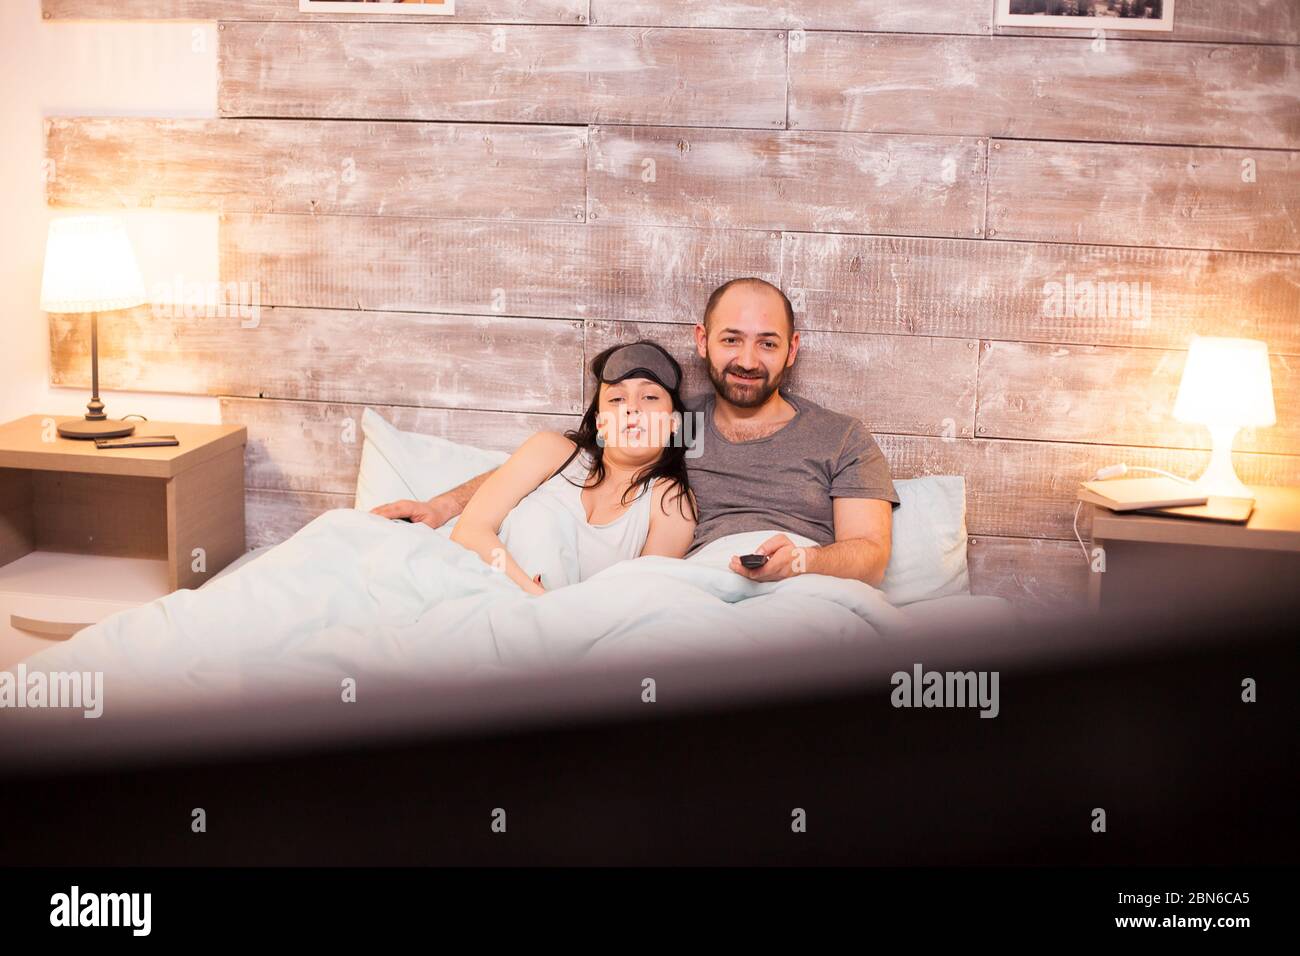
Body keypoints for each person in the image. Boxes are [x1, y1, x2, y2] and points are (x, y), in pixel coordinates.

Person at [376, 279, 899, 590]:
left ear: (792, 349)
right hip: (698, 594)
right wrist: (444, 506)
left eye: (767, 344)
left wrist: (801, 564)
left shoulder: (839, 436)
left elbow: (870, 554)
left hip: (806, 590)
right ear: (702, 341)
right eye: (731, 340)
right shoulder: (670, 421)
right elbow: (557, 463)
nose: (746, 360)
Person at [373, 341, 697, 595]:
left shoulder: (669, 501)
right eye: (616, 400)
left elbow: (642, 599)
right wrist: (536, 599)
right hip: (478, 592)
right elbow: (470, 531)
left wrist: (554, 615)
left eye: (650, 397)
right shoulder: (553, 453)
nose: (632, 410)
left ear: (673, 424)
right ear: (601, 425)